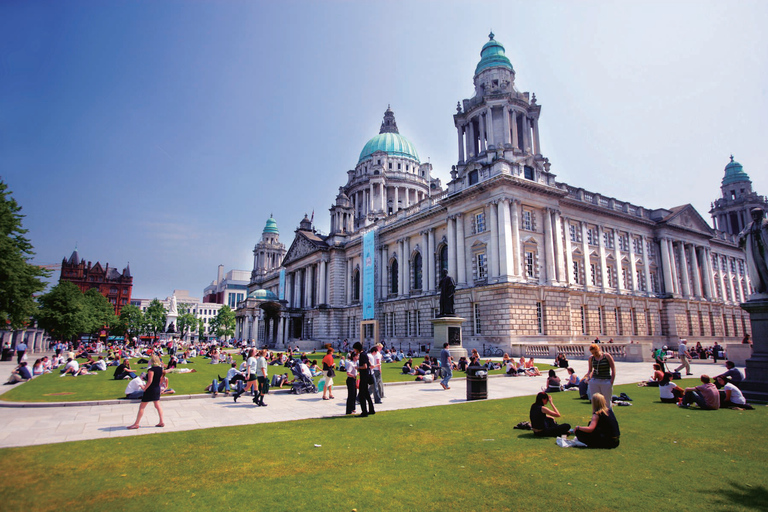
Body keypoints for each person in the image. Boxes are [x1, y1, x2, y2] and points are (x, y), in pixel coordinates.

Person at [127, 354, 165, 429]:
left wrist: (145, 388)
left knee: (142, 406)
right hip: (157, 388)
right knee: (157, 405)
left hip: (150, 389)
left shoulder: (151, 370)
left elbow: (149, 381)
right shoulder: (161, 369)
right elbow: (161, 379)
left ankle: (136, 423)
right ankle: (161, 421)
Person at [738, 207, 768, 294]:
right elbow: (741, 235)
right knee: (759, 268)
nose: (754, 216)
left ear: (761, 214)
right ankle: (763, 287)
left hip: (765, 247)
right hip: (755, 249)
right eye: (753, 215)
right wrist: (742, 238)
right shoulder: (749, 226)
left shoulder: (766, 223)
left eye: (756, 214)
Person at [587, 344, 616, 408]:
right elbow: (590, 370)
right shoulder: (591, 358)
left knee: (607, 401)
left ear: (599, 349)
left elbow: (613, 368)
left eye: (596, 352)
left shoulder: (607, 356)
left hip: (605, 380)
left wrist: (611, 381)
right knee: (595, 400)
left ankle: (609, 416)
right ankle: (596, 416)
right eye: (593, 353)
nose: (595, 354)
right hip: (595, 380)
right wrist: (589, 378)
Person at [355, 342, 374, 417]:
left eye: (355, 349)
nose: (355, 351)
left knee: (362, 395)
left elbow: (365, 366)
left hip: (364, 377)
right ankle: (371, 409)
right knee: (366, 394)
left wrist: (358, 368)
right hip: (367, 375)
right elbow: (369, 364)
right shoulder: (365, 354)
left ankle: (364, 412)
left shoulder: (362, 355)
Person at [345, 351, 359, 415]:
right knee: (351, 395)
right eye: (357, 356)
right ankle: (349, 410)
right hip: (350, 379)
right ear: (354, 357)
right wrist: (353, 375)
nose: (358, 357)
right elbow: (348, 373)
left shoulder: (355, 363)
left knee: (354, 394)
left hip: (354, 379)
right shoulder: (350, 363)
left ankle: (353, 408)